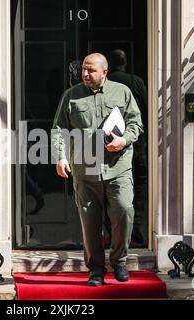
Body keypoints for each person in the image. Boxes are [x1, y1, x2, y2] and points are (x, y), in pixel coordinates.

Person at [52, 53, 143, 285]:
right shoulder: (71, 96)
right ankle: (96, 270)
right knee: (90, 222)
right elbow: (59, 129)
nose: (85, 74)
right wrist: (60, 157)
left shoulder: (122, 92)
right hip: (85, 170)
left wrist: (123, 141)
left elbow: (136, 123)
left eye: (90, 70)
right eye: (83, 69)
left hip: (118, 168)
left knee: (123, 211)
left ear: (104, 72)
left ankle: (119, 261)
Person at [108, 49, 148, 246]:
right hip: (136, 144)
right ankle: (135, 229)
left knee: (108, 185)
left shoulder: (105, 84)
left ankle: (111, 231)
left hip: (106, 144)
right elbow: (147, 111)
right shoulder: (137, 82)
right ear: (125, 63)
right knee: (139, 184)